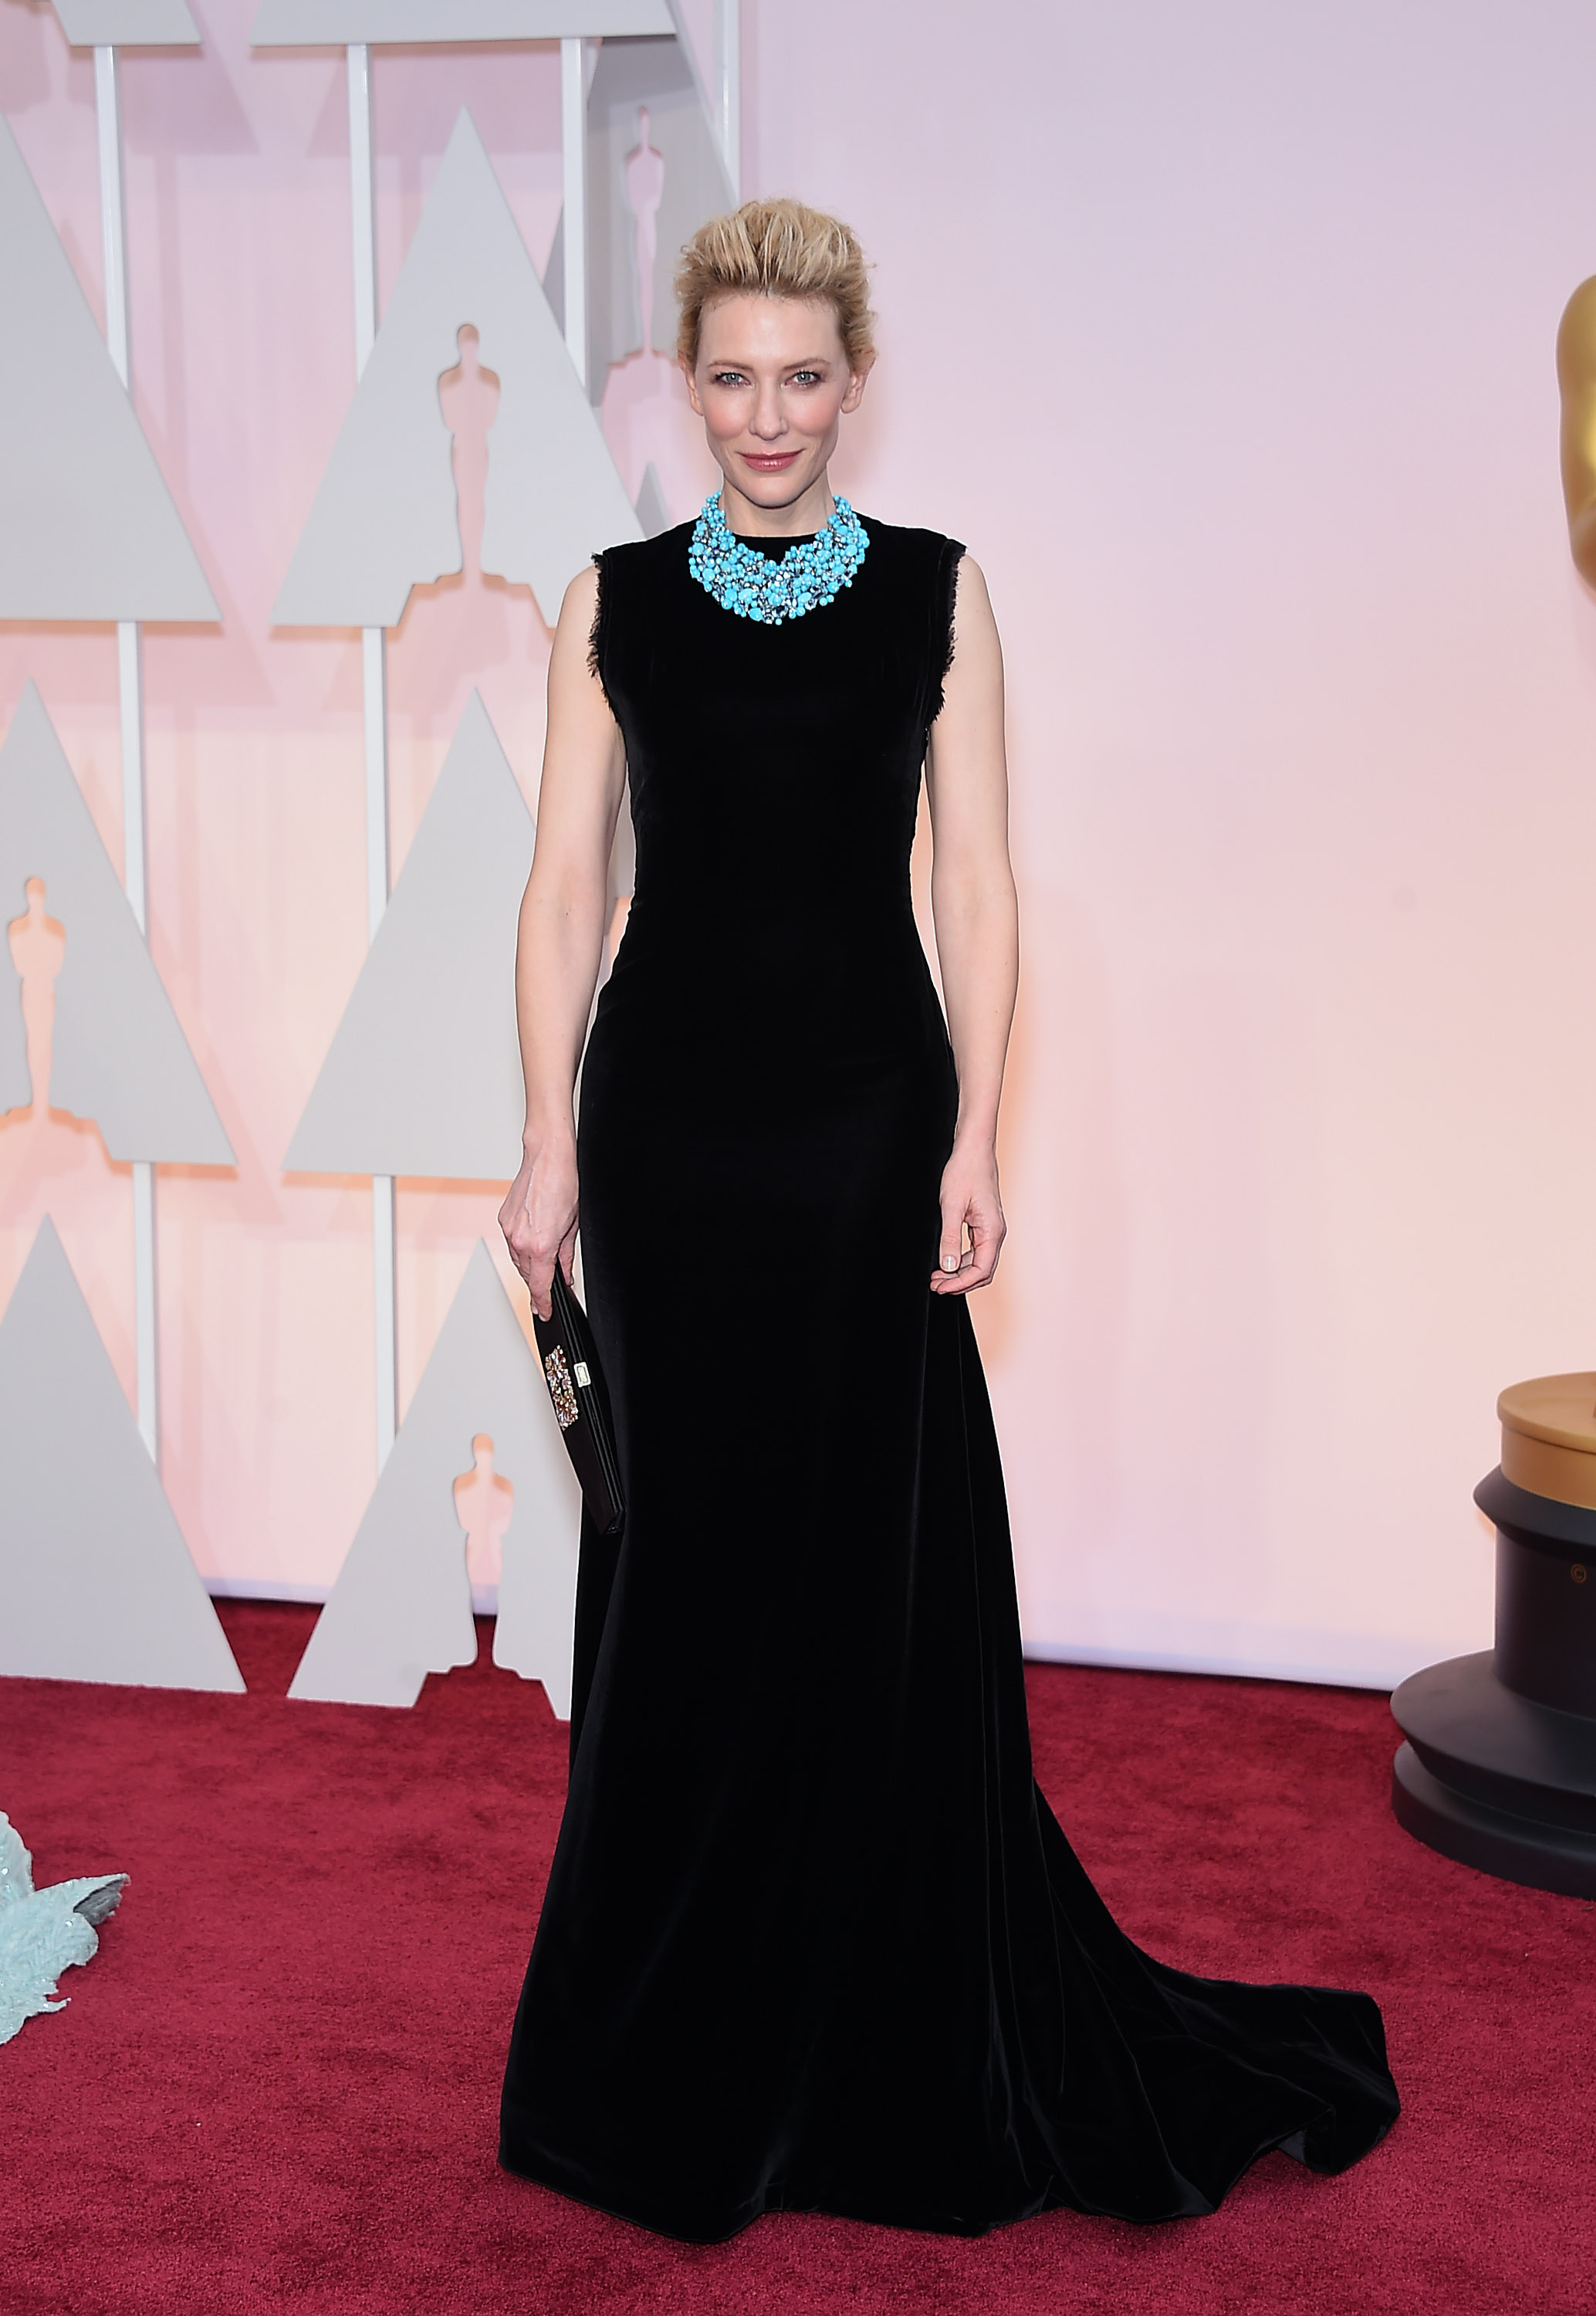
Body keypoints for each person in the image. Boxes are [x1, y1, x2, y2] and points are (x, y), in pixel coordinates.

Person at [497, 198, 1398, 2243]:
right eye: (732, 377)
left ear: (856, 381)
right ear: (684, 381)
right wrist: (544, 1145)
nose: (767, 416)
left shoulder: (938, 592)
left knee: (863, 1571)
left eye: (803, 377)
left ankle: (872, 2041)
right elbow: (560, 892)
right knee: (683, 1576)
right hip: (665, 1144)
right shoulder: (609, 605)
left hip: (862, 1130)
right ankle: (673, 2045)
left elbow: (977, 885)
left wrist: (980, 1133)